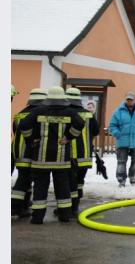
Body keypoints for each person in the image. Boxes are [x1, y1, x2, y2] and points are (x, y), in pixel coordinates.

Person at [19, 86, 85, 223]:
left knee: (40, 188)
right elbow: (80, 123)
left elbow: (24, 125)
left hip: (40, 160)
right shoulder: (70, 112)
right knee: (63, 188)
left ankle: (37, 218)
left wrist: (31, 139)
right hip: (61, 160)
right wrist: (68, 137)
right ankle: (64, 216)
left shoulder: (38, 110)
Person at [11, 88, 47, 218]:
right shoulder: (39, 114)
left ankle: (25, 203)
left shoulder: (20, 113)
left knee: (25, 177)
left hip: (17, 150)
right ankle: (15, 207)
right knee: (24, 179)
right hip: (29, 151)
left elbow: (15, 131)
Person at [66, 88, 99, 214]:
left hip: (70, 155)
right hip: (85, 155)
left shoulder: (65, 113)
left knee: (70, 183)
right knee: (79, 182)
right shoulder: (89, 114)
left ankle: (69, 209)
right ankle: (75, 207)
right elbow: (96, 131)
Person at [108, 91, 135, 187]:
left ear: (134, 100)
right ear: (125, 100)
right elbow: (112, 125)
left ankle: (132, 175)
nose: (129, 101)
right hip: (122, 141)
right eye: (128, 99)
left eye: (131, 99)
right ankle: (121, 179)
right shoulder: (118, 111)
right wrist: (117, 134)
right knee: (121, 162)